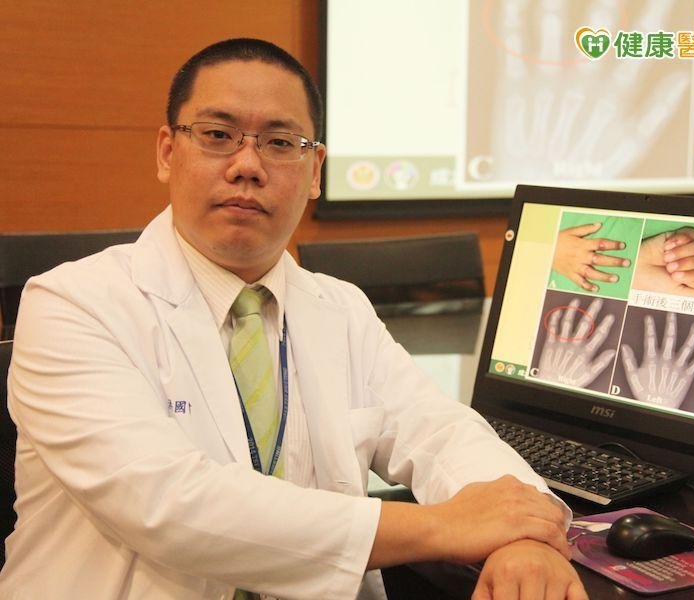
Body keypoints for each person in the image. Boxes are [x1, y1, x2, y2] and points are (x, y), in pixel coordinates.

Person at [0, 39, 587, 600]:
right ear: (167, 152)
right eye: (217, 135)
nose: (247, 166)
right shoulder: (72, 304)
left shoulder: (341, 308)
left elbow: (440, 431)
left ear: (315, 172)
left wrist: (522, 538)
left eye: (281, 143)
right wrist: (443, 526)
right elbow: (167, 503)